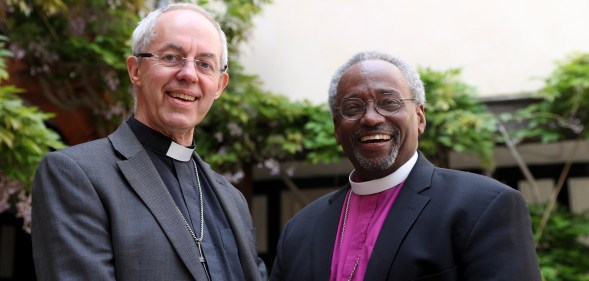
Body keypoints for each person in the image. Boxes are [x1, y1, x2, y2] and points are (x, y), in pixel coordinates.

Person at [31, 3, 267, 281]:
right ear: (135, 70)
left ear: (219, 85)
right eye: (171, 57)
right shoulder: (77, 175)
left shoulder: (232, 199)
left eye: (205, 64)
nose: (189, 74)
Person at [270, 51, 541, 280]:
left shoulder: (484, 206)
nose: (371, 118)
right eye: (352, 108)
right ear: (337, 130)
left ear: (420, 117)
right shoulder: (300, 229)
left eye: (389, 103)